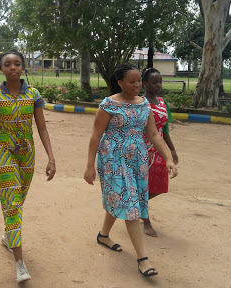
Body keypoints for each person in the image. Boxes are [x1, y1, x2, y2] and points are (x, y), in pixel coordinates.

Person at [84, 63, 178, 277]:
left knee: (123, 200)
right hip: (113, 160)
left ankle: (103, 235)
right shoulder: (108, 105)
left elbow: (154, 134)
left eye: (138, 81)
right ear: (120, 83)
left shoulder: (144, 104)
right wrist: (90, 165)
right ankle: (143, 259)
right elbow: (96, 136)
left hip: (137, 160)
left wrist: (168, 158)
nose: (137, 85)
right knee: (130, 205)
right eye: (132, 81)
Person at [0, 50, 56, 283]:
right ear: (1, 68)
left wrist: (51, 158)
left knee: (20, 199)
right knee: (11, 202)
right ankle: (19, 263)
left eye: (17, 63)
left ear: (23, 67)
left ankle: (9, 236)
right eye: (7, 64)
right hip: (4, 152)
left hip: (27, 154)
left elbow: (42, 128)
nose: (13, 68)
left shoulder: (34, 95)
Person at [141, 68, 179, 237]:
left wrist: (171, 150)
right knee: (143, 186)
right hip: (143, 151)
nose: (158, 85)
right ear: (144, 84)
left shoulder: (163, 103)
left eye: (160, 82)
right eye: (154, 82)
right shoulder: (140, 103)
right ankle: (146, 220)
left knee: (161, 184)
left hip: (160, 150)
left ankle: (134, 204)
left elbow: (165, 129)